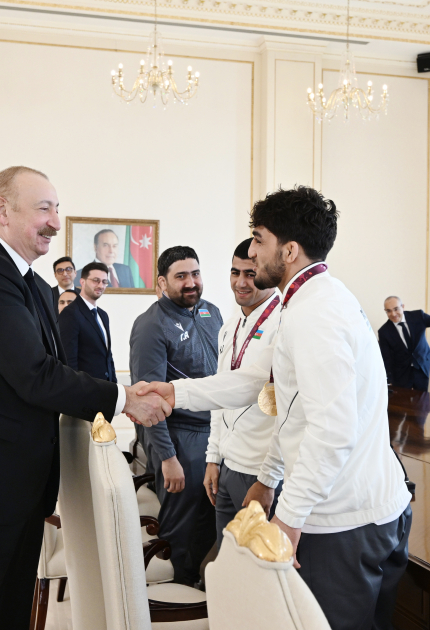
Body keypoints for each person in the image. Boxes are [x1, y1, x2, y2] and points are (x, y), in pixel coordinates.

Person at [138, 186, 413, 630]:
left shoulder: (312, 313)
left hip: (344, 519)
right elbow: (263, 387)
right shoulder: (315, 298)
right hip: (366, 507)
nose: (251, 250)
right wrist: (175, 395)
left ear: (288, 250)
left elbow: (331, 430)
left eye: (259, 239)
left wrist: (287, 519)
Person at [0, 166, 170, 630]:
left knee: (8, 610)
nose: (55, 221)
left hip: (15, 482)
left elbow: (56, 369)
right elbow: (34, 375)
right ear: (2, 209)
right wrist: (122, 398)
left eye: (57, 209)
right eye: (44, 208)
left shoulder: (31, 283)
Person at [128, 245, 223, 585]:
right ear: (162, 283)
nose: (190, 282)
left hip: (216, 435)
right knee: (182, 529)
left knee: (211, 523)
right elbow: (147, 400)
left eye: (195, 274)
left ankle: (200, 588)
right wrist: (167, 457)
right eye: (180, 276)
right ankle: (175, 593)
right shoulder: (151, 325)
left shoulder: (213, 313)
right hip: (180, 438)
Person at [205, 238, 283, 546]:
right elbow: (218, 394)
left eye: (250, 273)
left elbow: (286, 412)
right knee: (227, 565)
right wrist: (214, 457)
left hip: (260, 473)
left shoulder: (283, 322)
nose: (241, 282)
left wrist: (268, 479)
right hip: (228, 466)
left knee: (258, 573)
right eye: (235, 272)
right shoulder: (231, 323)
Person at [377, 296, 430, 391]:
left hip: (424, 370)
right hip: (401, 376)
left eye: (396, 309)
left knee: (426, 403)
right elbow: (386, 359)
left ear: (403, 307)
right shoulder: (383, 331)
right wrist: (388, 380)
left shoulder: (418, 316)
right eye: (388, 311)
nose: (393, 314)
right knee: (403, 405)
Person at [57, 262, 117, 383]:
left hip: (106, 388)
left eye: (104, 282)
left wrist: (115, 385)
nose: (101, 285)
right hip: (85, 390)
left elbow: (107, 356)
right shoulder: (70, 313)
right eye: (96, 280)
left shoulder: (103, 315)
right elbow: (69, 360)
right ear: (82, 282)